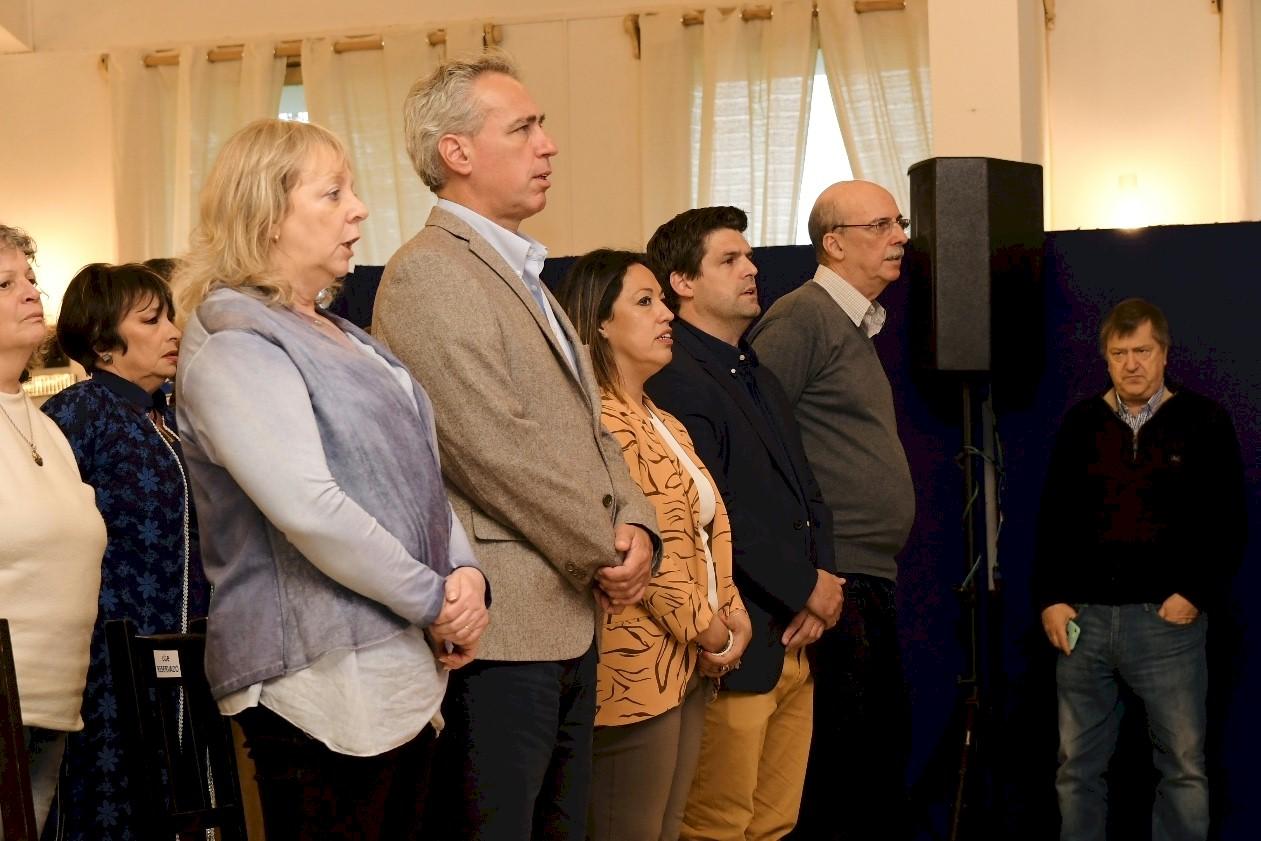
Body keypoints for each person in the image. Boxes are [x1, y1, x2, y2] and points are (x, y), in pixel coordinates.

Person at [171, 118, 488, 840]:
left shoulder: (345, 335)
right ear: (267, 215)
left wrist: (465, 572)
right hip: (318, 683)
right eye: (333, 192)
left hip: (397, 663)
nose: (360, 209)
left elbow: (418, 475)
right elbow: (309, 508)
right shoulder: (232, 340)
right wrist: (436, 597)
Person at [373, 53, 660, 840]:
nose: (549, 144)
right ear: (456, 153)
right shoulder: (429, 272)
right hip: (500, 630)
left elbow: (592, 429)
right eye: (524, 127)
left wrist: (640, 526)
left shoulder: (522, 271)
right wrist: (606, 545)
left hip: (564, 612)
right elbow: (492, 447)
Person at [644, 206, 844, 841]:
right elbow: (712, 514)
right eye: (728, 260)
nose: (751, 269)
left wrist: (824, 580)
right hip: (736, 641)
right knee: (718, 826)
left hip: (793, 636)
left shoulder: (750, 368)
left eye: (748, 257)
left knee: (776, 823)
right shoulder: (675, 378)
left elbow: (807, 490)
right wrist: (802, 587)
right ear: (683, 282)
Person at [554, 249, 751, 841]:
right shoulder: (597, 421)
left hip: (688, 661)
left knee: (669, 829)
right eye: (644, 302)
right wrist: (713, 631)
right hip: (634, 666)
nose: (666, 313)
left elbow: (703, 533)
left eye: (663, 300)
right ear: (599, 323)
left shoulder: (665, 419)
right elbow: (642, 552)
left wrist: (733, 613)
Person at [1033, 298, 1246, 841]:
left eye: (1143, 351)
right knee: (1076, 769)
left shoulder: (1204, 422)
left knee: (1182, 768)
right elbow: (1053, 518)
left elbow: (1229, 520)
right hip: (1084, 623)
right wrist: (1052, 597)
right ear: (1105, 357)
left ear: (1164, 353)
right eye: (1119, 353)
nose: (1131, 364)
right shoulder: (1082, 423)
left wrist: (1193, 593)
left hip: (1167, 624)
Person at [748, 180, 916, 840]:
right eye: (880, 225)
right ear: (835, 243)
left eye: (897, 222)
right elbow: (753, 440)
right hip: (832, 579)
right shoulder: (802, 317)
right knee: (840, 773)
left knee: (875, 759)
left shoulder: (849, 324)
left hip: (863, 575)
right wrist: (803, 571)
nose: (900, 236)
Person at [39, 262, 210, 841]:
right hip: (108, 663)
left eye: (170, 316)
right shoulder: (78, 413)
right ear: (104, 343)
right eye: (151, 320)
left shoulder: (174, 416)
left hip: (183, 650)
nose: (172, 330)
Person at [0, 225, 105, 838]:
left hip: (51, 706)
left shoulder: (49, 426)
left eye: (30, 278)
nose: (30, 292)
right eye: (5, 283)